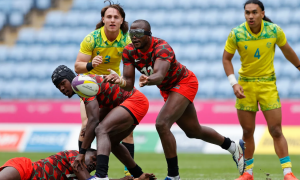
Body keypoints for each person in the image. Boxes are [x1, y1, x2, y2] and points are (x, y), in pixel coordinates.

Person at [104, 19, 246, 180]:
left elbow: (159, 75)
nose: (134, 37)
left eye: (138, 34)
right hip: (168, 90)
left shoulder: (162, 48)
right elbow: (129, 85)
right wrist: (120, 81)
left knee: (162, 123)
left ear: (149, 35)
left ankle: (173, 175)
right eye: (131, 34)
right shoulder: (129, 51)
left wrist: (149, 80)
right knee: (193, 131)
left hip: (184, 82)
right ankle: (233, 147)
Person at [222, 1, 300, 180]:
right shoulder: (237, 33)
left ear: (262, 14)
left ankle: (288, 173)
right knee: (247, 132)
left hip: (267, 85)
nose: (250, 16)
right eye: (247, 13)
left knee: (276, 130)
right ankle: (248, 173)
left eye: (254, 12)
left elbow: (287, 50)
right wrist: (234, 83)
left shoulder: (274, 31)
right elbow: (226, 59)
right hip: (245, 86)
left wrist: (299, 66)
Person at [51, 65, 153, 180]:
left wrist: (81, 153)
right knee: (112, 142)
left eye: (63, 83)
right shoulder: (82, 84)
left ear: (70, 78)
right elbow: (104, 107)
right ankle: (139, 174)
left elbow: (94, 120)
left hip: (134, 101)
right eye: (58, 87)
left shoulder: (81, 84)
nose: (62, 88)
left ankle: (101, 175)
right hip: (133, 102)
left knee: (101, 130)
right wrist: (89, 127)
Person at [73, 0, 133, 176]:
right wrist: (91, 65)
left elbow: (131, 67)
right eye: (109, 17)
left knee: (127, 129)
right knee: (86, 125)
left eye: (116, 17)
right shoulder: (92, 38)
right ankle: (82, 167)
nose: (112, 20)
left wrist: (121, 79)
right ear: (103, 19)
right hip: (90, 85)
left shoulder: (127, 40)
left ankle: (129, 173)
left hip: (111, 85)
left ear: (122, 20)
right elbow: (77, 67)